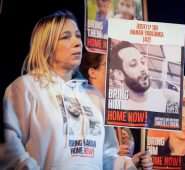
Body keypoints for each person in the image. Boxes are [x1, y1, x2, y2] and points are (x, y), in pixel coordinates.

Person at [0, 10, 137, 169]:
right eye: (66, 36)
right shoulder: (25, 87)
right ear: (47, 45)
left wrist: (129, 164)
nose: (77, 42)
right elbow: (7, 145)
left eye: (78, 35)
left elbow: (107, 156)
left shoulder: (94, 97)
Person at [80, 50, 153, 169]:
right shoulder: (83, 107)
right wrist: (111, 156)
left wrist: (136, 161)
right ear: (93, 72)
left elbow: (130, 160)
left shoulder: (124, 106)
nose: (114, 70)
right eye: (109, 64)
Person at [109, 41, 179, 113]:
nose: (143, 68)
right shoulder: (113, 107)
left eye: (143, 62)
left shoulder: (168, 98)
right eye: (133, 64)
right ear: (119, 74)